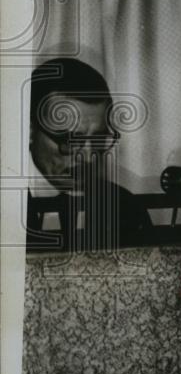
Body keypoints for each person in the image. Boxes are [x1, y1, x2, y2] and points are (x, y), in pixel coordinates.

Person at [27, 57, 151, 251]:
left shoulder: (125, 207)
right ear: (29, 131)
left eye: (98, 140)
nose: (87, 157)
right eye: (69, 140)